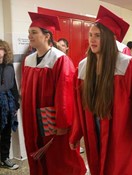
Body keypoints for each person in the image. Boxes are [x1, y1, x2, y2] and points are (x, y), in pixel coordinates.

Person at [69, 5, 132, 175]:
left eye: (98, 36)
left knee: (119, 166)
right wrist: (75, 134)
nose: (93, 40)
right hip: (93, 125)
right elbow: (79, 106)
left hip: (119, 127)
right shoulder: (83, 66)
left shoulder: (125, 63)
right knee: (97, 162)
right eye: (91, 35)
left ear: (110, 39)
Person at [21, 12, 86, 175]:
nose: (30, 36)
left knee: (58, 158)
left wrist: (62, 124)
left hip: (51, 119)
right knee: (36, 152)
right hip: (33, 118)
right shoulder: (28, 60)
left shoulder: (60, 59)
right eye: (29, 32)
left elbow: (65, 95)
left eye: (34, 32)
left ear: (47, 36)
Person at [0, 39, 19, 170]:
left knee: (6, 132)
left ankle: (5, 158)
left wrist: (16, 105)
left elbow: (13, 86)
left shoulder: (9, 65)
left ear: (5, 51)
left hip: (8, 104)